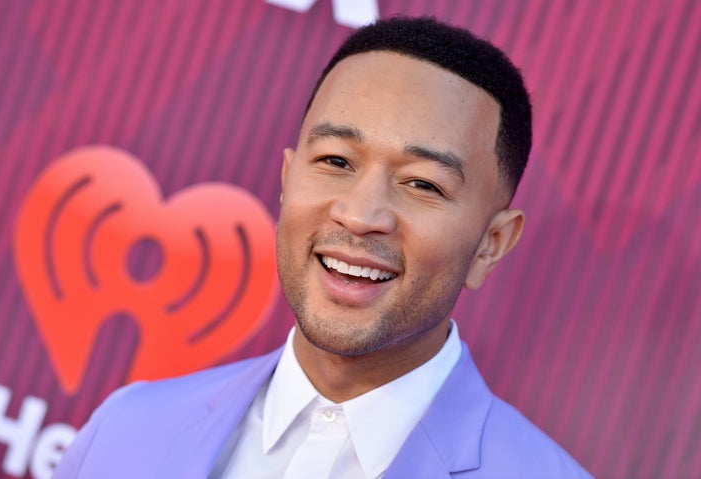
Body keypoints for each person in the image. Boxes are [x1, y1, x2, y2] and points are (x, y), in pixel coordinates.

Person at [53, 17, 592, 478]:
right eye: (336, 162)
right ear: (287, 180)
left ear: (490, 246)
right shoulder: (128, 430)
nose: (360, 216)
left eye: (423, 184)